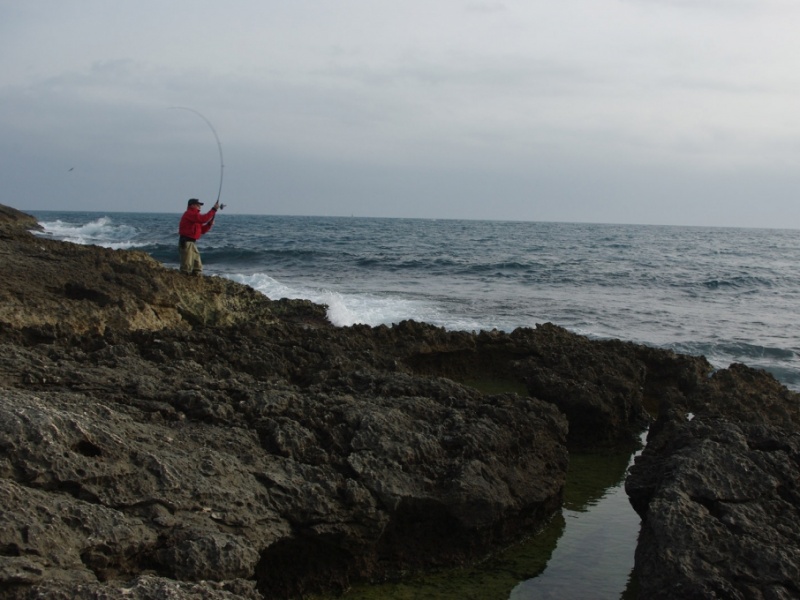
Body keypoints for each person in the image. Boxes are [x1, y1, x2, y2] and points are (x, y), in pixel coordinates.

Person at [178, 198, 218, 275]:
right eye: (198, 205)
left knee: (198, 267)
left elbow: (202, 230)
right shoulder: (189, 214)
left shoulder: (195, 216)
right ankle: (184, 281)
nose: (199, 206)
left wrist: (209, 224)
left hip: (192, 243)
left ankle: (195, 281)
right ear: (192, 205)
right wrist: (214, 209)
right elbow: (203, 219)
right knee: (186, 267)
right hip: (186, 242)